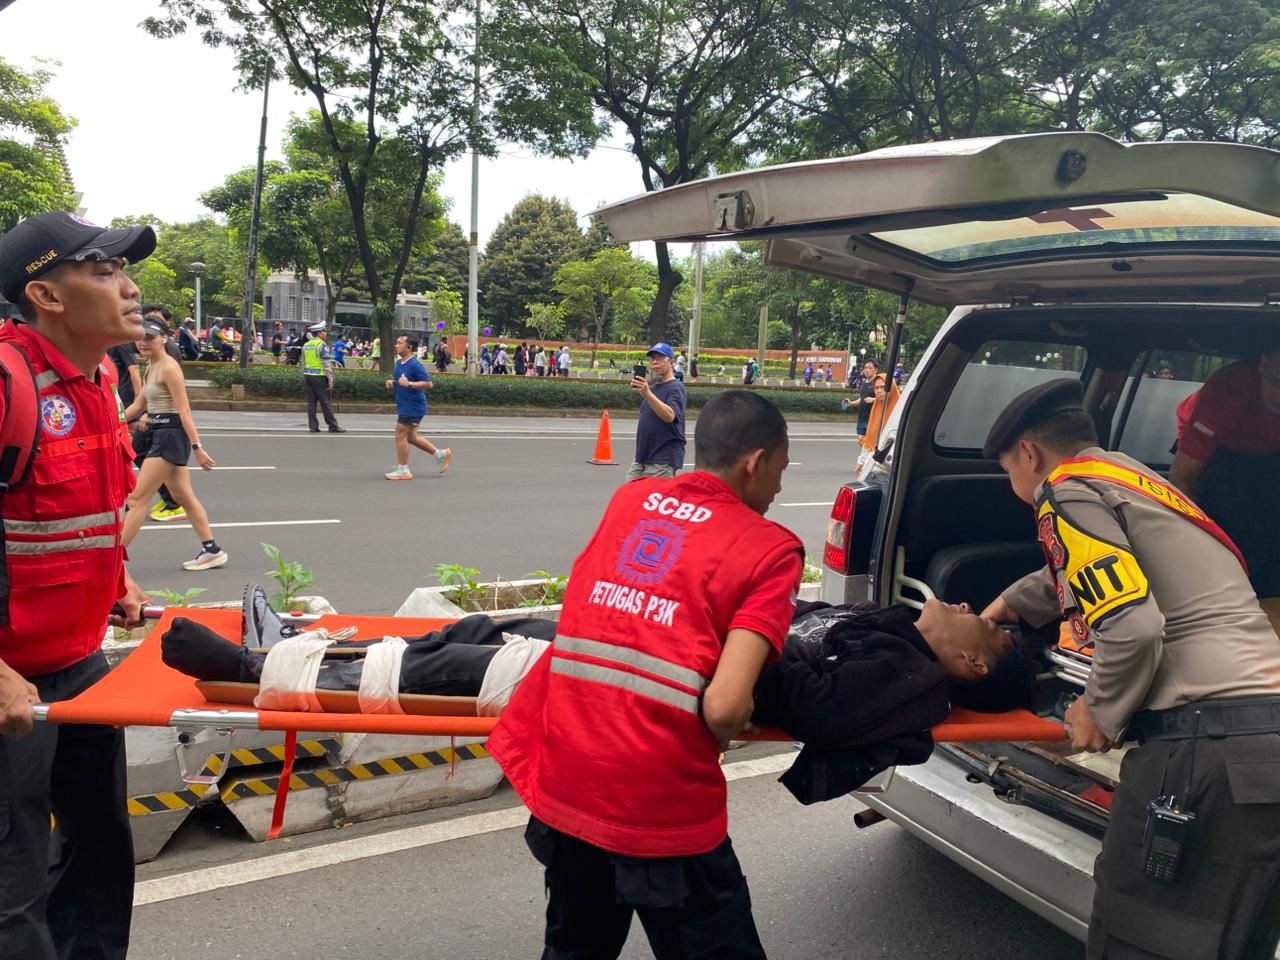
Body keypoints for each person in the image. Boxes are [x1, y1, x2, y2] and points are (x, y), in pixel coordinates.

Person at [489, 390, 804, 960]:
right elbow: (726, 709)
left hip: (566, 779)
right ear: (754, 463)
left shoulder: (629, 501)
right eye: (780, 471)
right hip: (657, 801)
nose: (779, 489)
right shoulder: (770, 549)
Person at [978, 378, 1280, 960]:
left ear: (1029, 455)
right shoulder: (1142, 483)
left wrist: (1099, 711)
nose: (1015, 486)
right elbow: (1075, 575)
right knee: (1233, 940)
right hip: (1263, 745)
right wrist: (1001, 611)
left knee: (1138, 940)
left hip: (1202, 753)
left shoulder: (1063, 491)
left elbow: (1135, 625)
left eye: (1007, 471)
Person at [0, 210, 154, 960]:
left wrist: (116, 577)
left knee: (97, 850)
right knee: (12, 883)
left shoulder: (95, 379)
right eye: (103, 271)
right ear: (46, 297)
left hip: (78, 662)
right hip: (10, 680)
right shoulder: (6, 382)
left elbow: (75, 508)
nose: (129, 289)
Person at [1169, 348, 1280, 597]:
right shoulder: (1227, 391)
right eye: (1276, 382)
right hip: (1221, 447)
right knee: (1227, 523)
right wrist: (1196, 546)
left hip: (1272, 451)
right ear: (1262, 363)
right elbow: (1184, 476)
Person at [121, 318, 227, 570]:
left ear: (165, 338)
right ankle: (212, 550)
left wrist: (197, 447)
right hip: (157, 430)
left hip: (170, 434)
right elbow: (138, 405)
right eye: (140, 337)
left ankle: (111, 560)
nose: (144, 342)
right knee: (183, 495)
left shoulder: (169, 367)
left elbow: (184, 411)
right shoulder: (151, 366)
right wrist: (110, 422)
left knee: (136, 500)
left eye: (150, 337)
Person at [384, 335, 451, 480]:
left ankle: (403, 470)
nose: (396, 345)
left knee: (400, 434)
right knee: (411, 437)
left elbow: (428, 384)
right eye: (396, 342)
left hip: (413, 407)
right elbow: (401, 381)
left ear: (409, 348)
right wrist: (393, 383)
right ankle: (440, 454)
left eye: (400, 343)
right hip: (405, 405)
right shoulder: (399, 363)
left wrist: (409, 384)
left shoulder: (415, 364)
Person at [627, 341, 686, 482]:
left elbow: (670, 416)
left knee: (653, 500)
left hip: (662, 459)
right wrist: (647, 392)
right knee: (629, 497)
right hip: (642, 456)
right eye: (652, 358)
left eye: (659, 358)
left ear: (671, 362)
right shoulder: (652, 388)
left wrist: (647, 394)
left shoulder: (675, 387)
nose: (654, 362)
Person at [302, 320, 345, 433]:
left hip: (308, 376)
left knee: (311, 402)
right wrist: (330, 379)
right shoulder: (322, 345)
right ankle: (333, 426)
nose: (325, 334)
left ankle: (313, 426)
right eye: (324, 332)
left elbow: (303, 362)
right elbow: (326, 363)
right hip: (320, 377)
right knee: (325, 402)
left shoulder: (306, 345)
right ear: (320, 333)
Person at [859, 373, 899, 453]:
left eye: (883, 387)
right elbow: (870, 439)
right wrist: (861, 461)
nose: (879, 391)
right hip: (873, 455)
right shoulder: (876, 408)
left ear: (892, 388)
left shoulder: (900, 409)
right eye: (876, 388)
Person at [855, 360, 877, 436]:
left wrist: (873, 399)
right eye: (866, 367)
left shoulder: (878, 382)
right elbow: (861, 399)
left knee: (870, 444)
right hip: (861, 418)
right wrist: (850, 403)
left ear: (875, 370)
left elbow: (885, 398)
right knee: (861, 440)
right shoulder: (864, 382)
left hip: (872, 419)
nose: (867, 370)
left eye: (870, 368)